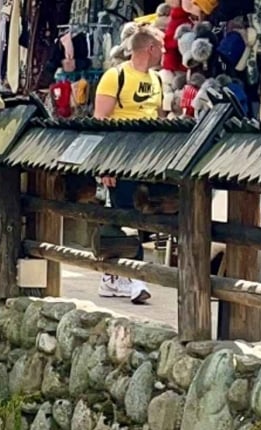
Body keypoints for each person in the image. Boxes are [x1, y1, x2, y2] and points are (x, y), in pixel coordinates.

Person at [92, 26, 163, 304]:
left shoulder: (156, 80)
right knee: (127, 216)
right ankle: (136, 280)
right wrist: (105, 163)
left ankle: (111, 277)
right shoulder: (115, 76)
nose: (165, 52)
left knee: (131, 217)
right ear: (149, 49)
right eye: (162, 48)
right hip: (120, 156)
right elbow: (100, 118)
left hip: (146, 157)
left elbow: (157, 117)